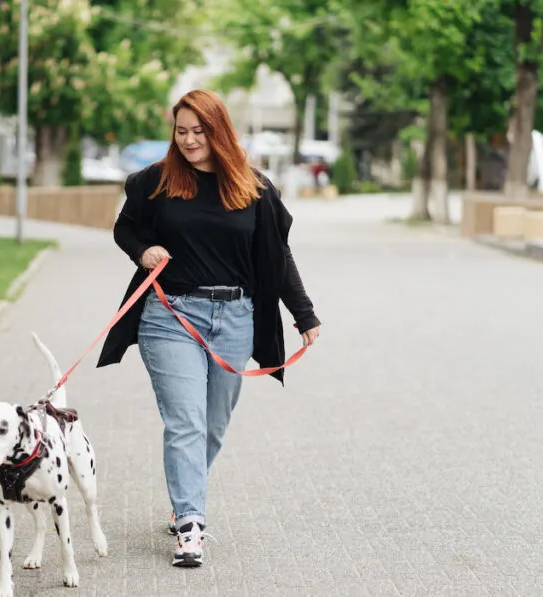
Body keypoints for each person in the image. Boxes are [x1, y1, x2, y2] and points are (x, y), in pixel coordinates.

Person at [96, 89, 321, 568]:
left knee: (213, 426)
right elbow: (125, 229)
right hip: (170, 316)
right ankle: (191, 525)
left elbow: (277, 255)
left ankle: (183, 499)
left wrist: (303, 313)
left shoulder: (253, 187)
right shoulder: (154, 182)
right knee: (187, 421)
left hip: (235, 318)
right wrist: (143, 252)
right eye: (182, 131)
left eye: (200, 131)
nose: (190, 140)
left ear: (219, 131)